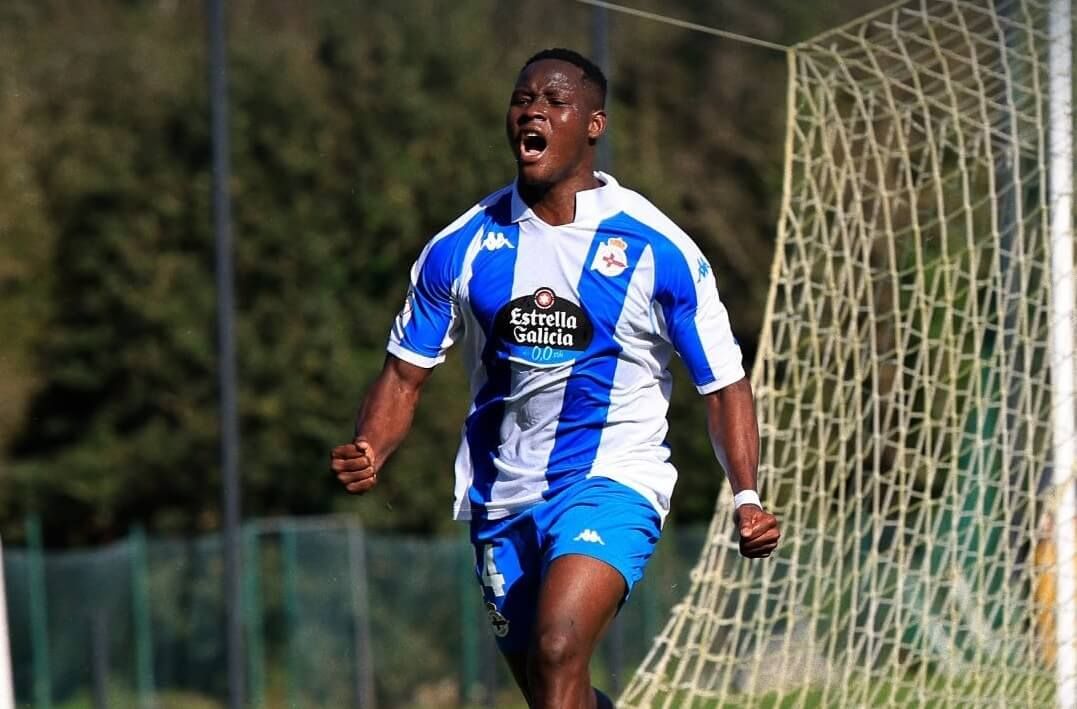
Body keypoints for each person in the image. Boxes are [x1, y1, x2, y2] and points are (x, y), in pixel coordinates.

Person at [330, 47, 781, 709]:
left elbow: (723, 383)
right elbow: (404, 374)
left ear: (592, 125)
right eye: (521, 100)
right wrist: (372, 444)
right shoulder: (459, 247)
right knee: (551, 690)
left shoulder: (657, 248)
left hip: (612, 482)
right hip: (499, 497)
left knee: (558, 646)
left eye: (552, 100)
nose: (531, 111)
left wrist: (745, 493)